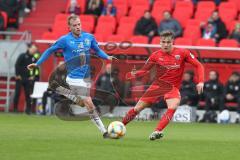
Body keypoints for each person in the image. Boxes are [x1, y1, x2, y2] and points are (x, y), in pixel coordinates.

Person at [27, 15, 116, 138]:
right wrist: (37, 64)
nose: (78, 27)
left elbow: (97, 50)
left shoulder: (89, 38)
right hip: (74, 78)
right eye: (74, 25)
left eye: (79, 24)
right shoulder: (65, 40)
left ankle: (65, 92)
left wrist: (107, 57)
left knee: (82, 103)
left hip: (85, 78)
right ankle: (104, 131)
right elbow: (49, 50)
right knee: (89, 103)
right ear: (69, 28)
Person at [122, 30, 204, 140]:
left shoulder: (182, 52)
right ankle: (120, 126)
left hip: (172, 87)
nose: (165, 44)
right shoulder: (155, 55)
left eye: (168, 42)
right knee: (137, 108)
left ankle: (157, 131)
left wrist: (201, 81)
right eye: (163, 42)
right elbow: (145, 70)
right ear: (160, 42)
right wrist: (135, 74)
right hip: (157, 86)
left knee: (173, 106)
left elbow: (199, 66)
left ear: (172, 42)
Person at [13, 43, 38, 114]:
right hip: (20, 78)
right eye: (33, 49)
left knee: (28, 94)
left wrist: (33, 76)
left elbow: (35, 69)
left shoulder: (34, 58)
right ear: (29, 49)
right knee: (17, 93)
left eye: (35, 50)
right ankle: (15, 109)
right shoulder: (22, 56)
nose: (34, 51)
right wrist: (17, 74)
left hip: (28, 79)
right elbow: (17, 65)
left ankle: (28, 109)